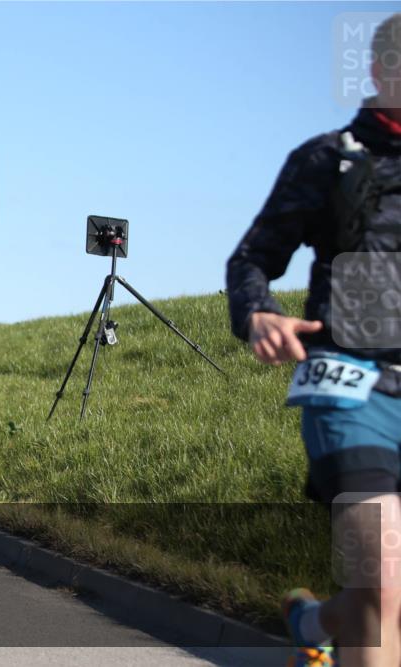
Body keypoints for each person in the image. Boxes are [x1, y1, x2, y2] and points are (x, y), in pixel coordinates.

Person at [227, 14, 401, 667]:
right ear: (381, 71)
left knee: (378, 594)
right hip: (352, 388)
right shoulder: (328, 158)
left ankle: (312, 619)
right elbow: (250, 260)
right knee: (386, 583)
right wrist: (258, 314)